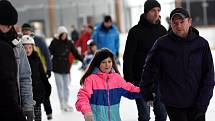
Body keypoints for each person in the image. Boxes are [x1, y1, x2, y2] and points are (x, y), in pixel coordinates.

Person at [140, 7, 215, 121]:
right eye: (174, 23)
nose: (178, 25)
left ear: (189, 21)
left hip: (197, 104)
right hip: (174, 105)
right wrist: (147, 92)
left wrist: (202, 104)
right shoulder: (161, 44)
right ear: (170, 23)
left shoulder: (201, 44)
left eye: (181, 22)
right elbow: (149, 69)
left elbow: (209, 76)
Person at [123, 0, 167, 121]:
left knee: (162, 115)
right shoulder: (135, 31)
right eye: (153, 10)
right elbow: (128, 57)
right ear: (146, 12)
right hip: (140, 81)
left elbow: (167, 56)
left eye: (158, 11)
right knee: (144, 116)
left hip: (159, 81)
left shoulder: (162, 30)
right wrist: (129, 80)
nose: (156, 13)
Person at [75, 48, 143, 121]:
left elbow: (131, 90)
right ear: (98, 64)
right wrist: (87, 111)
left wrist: (148, 91)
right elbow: (82, 97)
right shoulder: (91, 79)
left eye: (109, 61)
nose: (107, 64)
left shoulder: (117, 79)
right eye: (103, 62)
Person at [0, 1, 34, 121]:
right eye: (7, 24)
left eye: (12, 24)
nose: (10, 28)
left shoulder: (16, 44)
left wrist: (28, 105)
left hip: (14, 107)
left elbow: (25, 76)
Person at [21, 23, 53, 120]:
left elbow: (42, 74)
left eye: (30, 48)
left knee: (38, 116)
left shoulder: (36, 58)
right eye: (25, 48)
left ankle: (49, 112)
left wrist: (47, 85)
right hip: (24, 95)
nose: (27, 50)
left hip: (37, 93)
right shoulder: (19, 61)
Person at [49, 26, 83, 111]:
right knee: (60, 87)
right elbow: (48, 53)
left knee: (66, 86)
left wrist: (82, 59)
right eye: (62, 34)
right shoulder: (54, 42)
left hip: (66, 67)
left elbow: (75, 53)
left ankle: (66, 102)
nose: (64, 36)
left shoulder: (69, 42)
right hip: (57, 68)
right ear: (59, 34)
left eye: (65, 34)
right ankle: (62, 104)